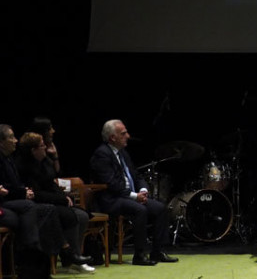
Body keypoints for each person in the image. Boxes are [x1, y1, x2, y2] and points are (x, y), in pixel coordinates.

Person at [0, 124, 91, 279]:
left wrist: (54, 158)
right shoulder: (20, 163)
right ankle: (36, 255)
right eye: (11, 137)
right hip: (12, 202)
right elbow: (16, 188)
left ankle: (53, 259)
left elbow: (51, 181)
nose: (15, 140)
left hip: (20, 201)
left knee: (75, 214)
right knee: (41, 209)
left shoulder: (13, 159)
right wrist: (24, 192)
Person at [89, 119, 177, 266]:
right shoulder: (102, 155)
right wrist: (135, 196)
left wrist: (142, 190)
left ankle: (157, 251)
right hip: (111, 199)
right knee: (140, 210)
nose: (128, 136)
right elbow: (111, 184)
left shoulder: (123, 153)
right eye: (123, 133)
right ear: (112, 137)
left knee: (161, 208)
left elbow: (136, 176)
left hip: (129, 197)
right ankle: (139, 255)